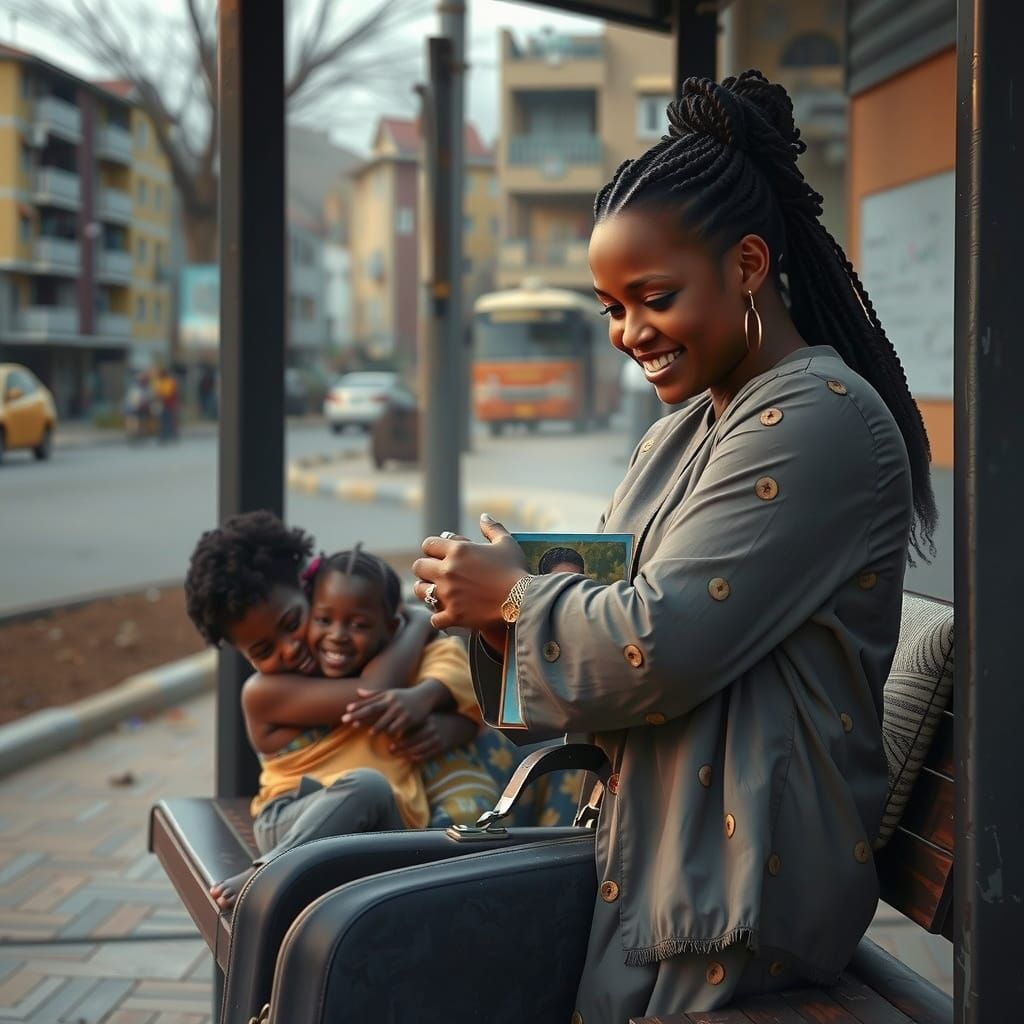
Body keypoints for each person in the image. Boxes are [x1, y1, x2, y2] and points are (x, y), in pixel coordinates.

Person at [411, 70, 937, 1021]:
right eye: (612, 307)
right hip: (654, 848)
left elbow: (660, 640)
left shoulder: (819, 419)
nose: (628, 333)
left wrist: (517, 600)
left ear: (746, 264)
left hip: (734, 892)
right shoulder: (690, 425)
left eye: (652, 296)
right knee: (314, 903)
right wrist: (490, 615)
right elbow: (613, 636)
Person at [184, 512, 483, 910]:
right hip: (292, 819)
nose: (289, 648)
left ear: (310, 591)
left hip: (386, 823)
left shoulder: (356, 651)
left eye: (293, 622)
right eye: (263, 651)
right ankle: (268, 873)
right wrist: (414, 623)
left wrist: (441, 720)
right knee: (368, 785)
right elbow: (372, 692)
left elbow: (453, 675)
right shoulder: (263, 692)